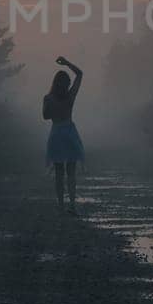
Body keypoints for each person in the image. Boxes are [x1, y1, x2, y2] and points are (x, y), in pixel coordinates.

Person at [42, 56, 85, 212]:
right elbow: (80, 74)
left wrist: (52, 106)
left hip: (57, 134)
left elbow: (45, 117)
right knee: (71, 172)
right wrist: (67, 63)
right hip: (70, 133)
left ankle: (61, 205)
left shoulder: (48, 98)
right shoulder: (70, 96)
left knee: (59, 172)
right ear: (67, 84)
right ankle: (72, 204)